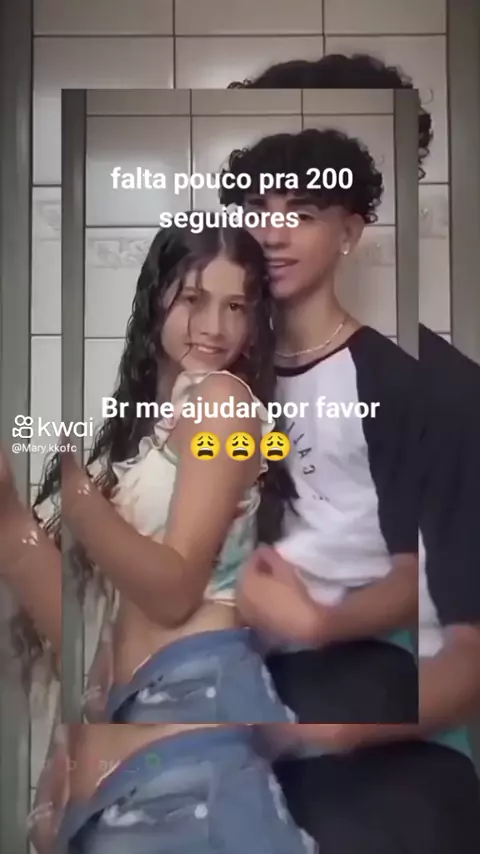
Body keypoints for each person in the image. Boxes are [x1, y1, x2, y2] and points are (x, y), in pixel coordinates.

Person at [224, 54, 480, 853]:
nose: (274, 228)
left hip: (391, 769)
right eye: (261, 202)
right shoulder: (223, 385)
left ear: (352, 226)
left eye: (304, 204)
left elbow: (469, 648)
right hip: (239, 727)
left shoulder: (438, 389)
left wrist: (331, 725)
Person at [1, 223, 316, 854]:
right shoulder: (147, 433)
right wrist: (13, 524)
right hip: (147, 729)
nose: (216, 327)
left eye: (236, 306)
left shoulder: (225, 405)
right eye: (194, 299)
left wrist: (78, 500)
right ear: (156, 300)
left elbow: (173, 591)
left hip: (192, 721)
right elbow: (90, 636)